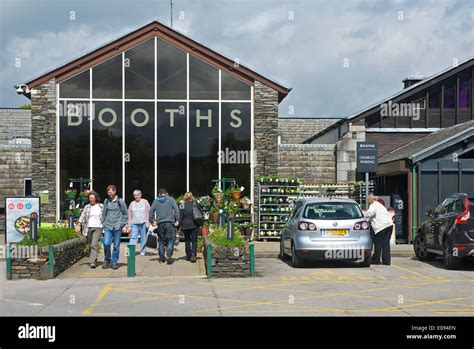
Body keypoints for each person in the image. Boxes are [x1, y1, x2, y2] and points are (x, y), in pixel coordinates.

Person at [149, 188, 180, 264]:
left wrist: (152, 221)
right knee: (171, 239)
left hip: (160, 224)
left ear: (159, 194)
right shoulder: (171, 200)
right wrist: (177, 220)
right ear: (166, 194)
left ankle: (161, 258)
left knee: (161, 241)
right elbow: (176, 210)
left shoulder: (156, 201)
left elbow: (151, 211)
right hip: (170, 223)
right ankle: (169, 253)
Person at [101, 185, 128, 270]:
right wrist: (104, 223)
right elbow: (104, 213)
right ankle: (107, 260)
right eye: (108, 192)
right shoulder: (106, 201)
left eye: (111, 192)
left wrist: (122, 224)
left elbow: (125, 214)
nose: (109, 193)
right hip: (108, 226)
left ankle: (114, 262)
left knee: (116, 246)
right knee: (106, 243)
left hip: (117, 226)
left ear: (115, 191)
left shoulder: (120, 201)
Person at [365, 194, 394, 265]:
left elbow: (370, 213)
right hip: (389, 225)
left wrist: (363, 216)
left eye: (368, 199)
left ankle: (376, 259)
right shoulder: (381, 205)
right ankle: (386, 261)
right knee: (386, 244)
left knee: (378, 244)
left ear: (371, 200)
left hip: (381, 227)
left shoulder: (373, 205)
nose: (368, 201)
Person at [78, 191, 103, 269]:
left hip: (97, 227)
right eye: (90, 198)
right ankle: (94, 258)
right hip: (88, 228)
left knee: (94, 244)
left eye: (92, 198)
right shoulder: (87, 207)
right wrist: (79, 223)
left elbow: (104, 216)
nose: (91, 199)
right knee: (90, 243)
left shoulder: (101, 206)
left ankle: (92, 262)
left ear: (96, 198)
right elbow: (82, 216)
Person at [179, 192, 202, 263]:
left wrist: (179, 225)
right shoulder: (195, 204)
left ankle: (188, 256)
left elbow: (181, 217)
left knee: (187, 240)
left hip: (185, 226)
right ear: (192, 197)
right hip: (194, 225)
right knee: (194, 241)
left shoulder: (182, 205)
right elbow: (200, 213)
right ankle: (193, 255)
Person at [126, 190, 150, 256]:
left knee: (143, 238)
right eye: (135, 195)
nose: (136, 196)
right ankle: (130, 251)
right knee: (133, 237)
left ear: (140, 195)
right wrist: (129, 225)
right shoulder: (132, 203)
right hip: (134, 223)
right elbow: (129, 215)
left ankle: (143, 251)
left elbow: (148, 213)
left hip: (143, 223)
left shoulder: (145, 202)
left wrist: (148, 223)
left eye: (138, 195)